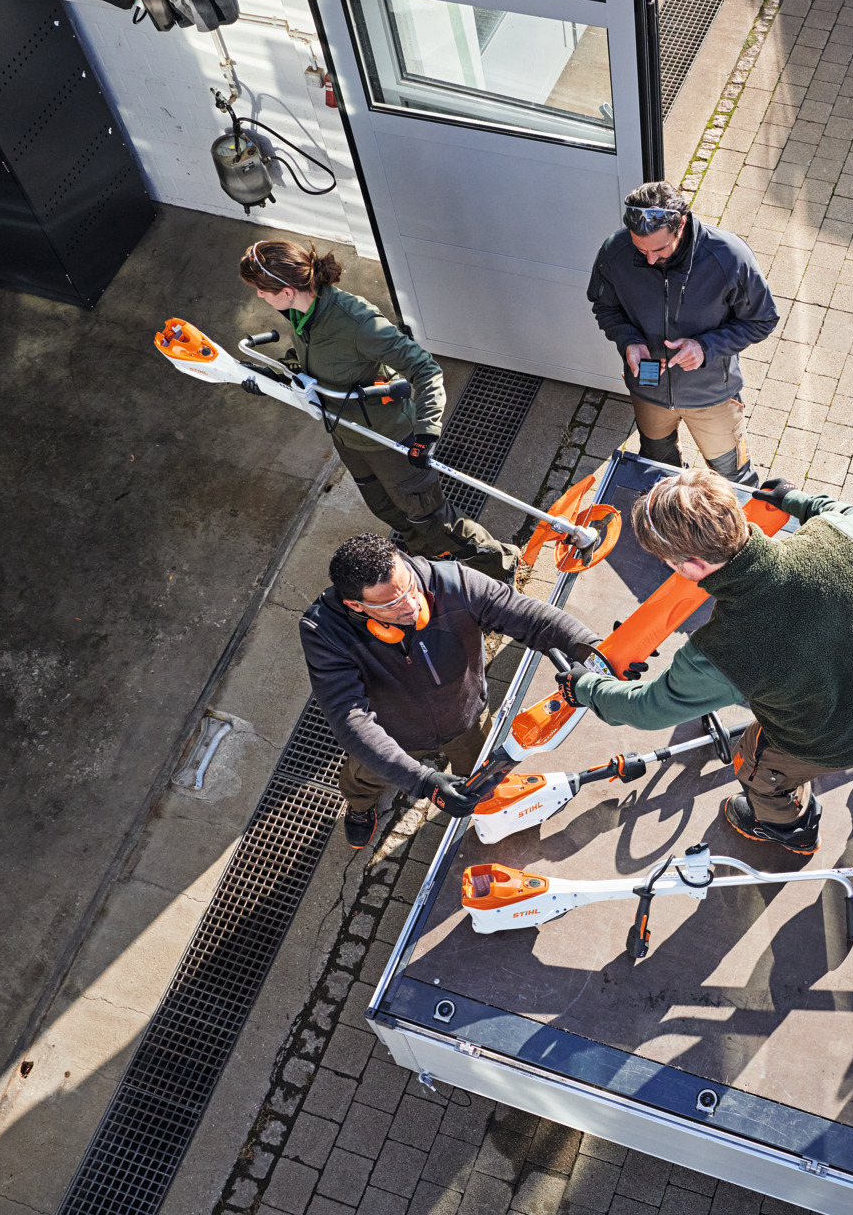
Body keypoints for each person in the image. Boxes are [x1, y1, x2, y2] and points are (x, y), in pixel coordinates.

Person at [558, 469, 853, 854]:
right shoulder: (836, 541)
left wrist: (587, 688)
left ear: (690, 567)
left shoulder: (720, 650)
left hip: (823, 743)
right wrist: (798, 500)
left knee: (756, 768)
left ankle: (792, 829)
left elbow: (646, 710)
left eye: (667, 561)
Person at [242, 239, 519, 582]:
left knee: (431, 519)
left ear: (286, 290)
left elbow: (425, 369)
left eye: (260, 289)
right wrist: (272, 374)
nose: (258, 296)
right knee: (384, 506)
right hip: (349, 434)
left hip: (389, 438)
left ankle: (504, 565)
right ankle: (434, 563)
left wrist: (427, 431)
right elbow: (313, 363)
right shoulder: (300, 314)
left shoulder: (357, 321)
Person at [302, 533, 601, 848]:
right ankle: (361, 806)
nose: (412, 605)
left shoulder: (453, 582)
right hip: (393, 736)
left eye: (409, 587)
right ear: (354, 605)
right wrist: (423, 782)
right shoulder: (323, 631)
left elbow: (534, 620)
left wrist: (596, 653)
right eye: (392, 603)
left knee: (482, 777)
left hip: (467, 718)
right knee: (363, 779)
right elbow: (350, 719)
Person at [587, 183, 779, 486]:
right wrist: (629, 341)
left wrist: (706, 347)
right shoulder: (615, 252)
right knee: (657, 467)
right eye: (641, 249)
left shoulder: (729, 257)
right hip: (648, 389)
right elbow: (605, 307)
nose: (649, 259)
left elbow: (762, 319)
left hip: (712, 394)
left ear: (682, 225)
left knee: (733, 480)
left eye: (659, 249)